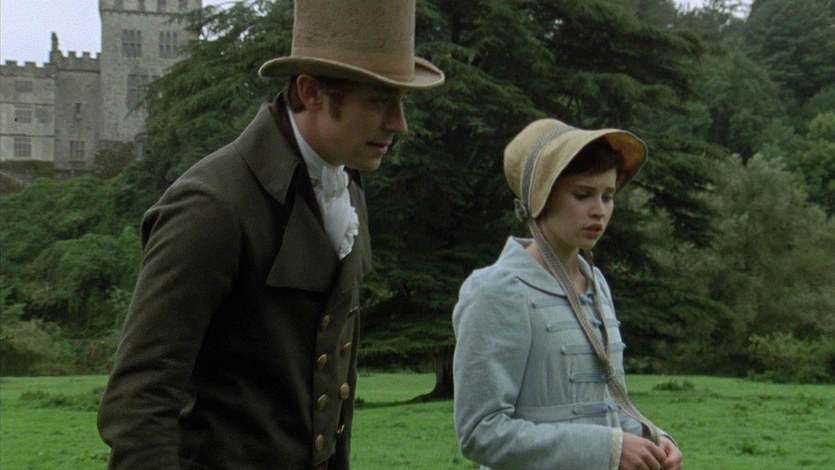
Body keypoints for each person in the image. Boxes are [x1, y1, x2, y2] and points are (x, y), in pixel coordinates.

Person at [97, 1, 444, 469]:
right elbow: (138, 404)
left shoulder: (346, 189)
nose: (399, 123)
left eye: (402, 102)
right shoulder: (213, 206)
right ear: (311, 91)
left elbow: (330, 393)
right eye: (380, 100)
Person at [452, 119, 683, 470]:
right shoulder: (497, 290)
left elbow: (610, 403)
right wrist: (607, 449)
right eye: (583, 195)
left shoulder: (596, 283)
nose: (599, 210)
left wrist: (655, 440)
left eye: (608, 196)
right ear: (541, 198)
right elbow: (480, 432)